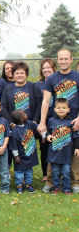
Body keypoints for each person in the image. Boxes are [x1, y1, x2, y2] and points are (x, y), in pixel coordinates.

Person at [38, 49, 79, 194]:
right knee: (53, 150)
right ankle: (50, 183)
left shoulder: (77, 76)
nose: (63, 61)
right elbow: (46, 101)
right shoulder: (52, 79)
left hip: (74, 120)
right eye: (61, 59)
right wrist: (43, 122)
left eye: (66, 59)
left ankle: (74, 183)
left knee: (74, 152)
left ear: (71, 60)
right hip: (55, 120)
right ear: (57, 60)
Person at [46, 98, 79, 195]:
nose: (61, 110)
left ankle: (67, 189)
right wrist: (48, 135)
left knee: (66, 172)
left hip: (66, 153)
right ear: (55, 109)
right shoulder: (52, 120)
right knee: (55, 172)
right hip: (54, 153)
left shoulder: (71, 122)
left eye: (64, 108)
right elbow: (48, 130)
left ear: (68, 109)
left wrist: (77, 148)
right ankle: (56, 188)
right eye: (59, 108)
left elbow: (76, 136)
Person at [36, 58, 57, 182]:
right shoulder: (38, 85)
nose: (46, 70)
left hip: (57, 119)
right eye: (44, 68)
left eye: (48, 67)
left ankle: (61, 172)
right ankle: (46, 174)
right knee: (44, 148)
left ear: (54, 68)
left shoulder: (59, 82)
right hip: (44, 120)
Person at [9, 109, 38, 194]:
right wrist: (16, 156)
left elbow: (38, 126)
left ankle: (29, 185)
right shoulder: (15, 131)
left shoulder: (29, 123)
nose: (26, 114)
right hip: (20, 156)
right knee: (19, 172)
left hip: (29, 155)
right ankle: (19, 185)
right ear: (21, 119)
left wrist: (43, 134)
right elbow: (14, 145)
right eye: (24, 114)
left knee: (29, 171)